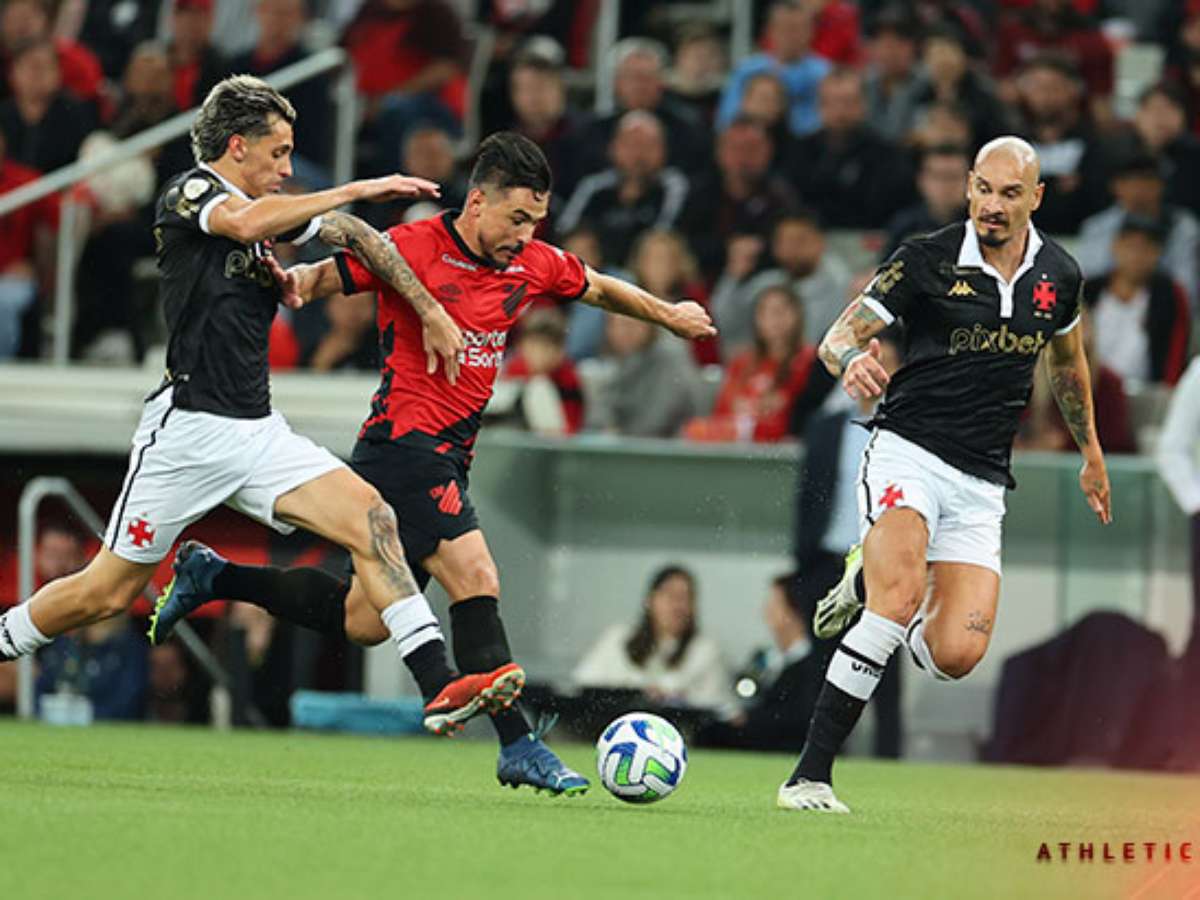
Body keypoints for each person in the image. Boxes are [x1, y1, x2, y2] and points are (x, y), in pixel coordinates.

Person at [149, 131, 716, 794]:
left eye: (535, 222)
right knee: (475, 573)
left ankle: (215, 575)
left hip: (449, 456)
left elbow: (596, 287)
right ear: (477, 202)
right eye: (516, 218)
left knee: (362, 620)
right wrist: (292, 281)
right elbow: (329, 276)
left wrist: (669, 315)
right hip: (403, 448)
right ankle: (519, 745)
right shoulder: (413, 246)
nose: (525, 235)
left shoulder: (530, 262)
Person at [0, 75, 518, 741]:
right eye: (278, 152)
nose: (288, 168)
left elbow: (354, 234)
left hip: (257, 432)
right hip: (186, 433)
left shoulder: (269, 213)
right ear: (238, 146)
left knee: (373, 519)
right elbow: (248, 222)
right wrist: (355, 187)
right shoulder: (191, 192)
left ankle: (437, 684)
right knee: (105, 593)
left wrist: (427, 309)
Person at [776, 137, 1112, 813]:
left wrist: (1092, 452)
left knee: (956, 653)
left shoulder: (1060, 273)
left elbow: (1067, 362)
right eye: (983, 188)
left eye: (1009, 193)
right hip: (908, 452)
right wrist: (850, 361)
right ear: (968, 188)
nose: (992, 205)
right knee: (896, 602)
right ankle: (808, 778)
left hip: (982, 482)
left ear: (1037, 197)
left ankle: (870, 576)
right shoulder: (925, 259)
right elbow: (839, 335)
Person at [573, 565, 735, 714]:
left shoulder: (706, 650)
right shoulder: (618, 638)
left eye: (685, 597)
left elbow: (719, 707)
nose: (677, 605)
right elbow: (585, 683)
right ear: (649, 600)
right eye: (670, 595)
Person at [695, 573, 823, 752]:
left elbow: (801, 718)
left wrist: (749, 719)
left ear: (795, 612)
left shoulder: (814, 667)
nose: (766, 610)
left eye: (775, 603)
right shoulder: (765, 658)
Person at [685, 284, 816, 443]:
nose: (772, 320)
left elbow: (798, 418)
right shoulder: (742, 362)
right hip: (736, 444)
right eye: (764, 312)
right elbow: (722, 412)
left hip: (782, 446)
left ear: (797, 314)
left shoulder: (809, 361)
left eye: (780, 311)